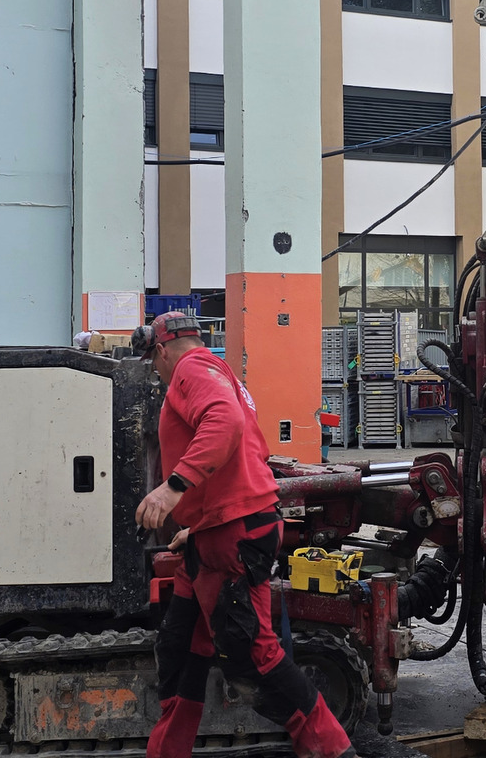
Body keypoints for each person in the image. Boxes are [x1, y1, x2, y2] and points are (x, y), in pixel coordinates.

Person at [131, 311, 355, 758]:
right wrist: (197, 521)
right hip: (212, 534)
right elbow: (246, 449)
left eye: (152, 362)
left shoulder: (191, 370)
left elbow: (225, 424)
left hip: (233, 536)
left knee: (255, 653)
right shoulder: (219, 371)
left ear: (160, 349)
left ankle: (333, 749)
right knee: (180, 648)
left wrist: (173, 490)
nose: (156, 372)